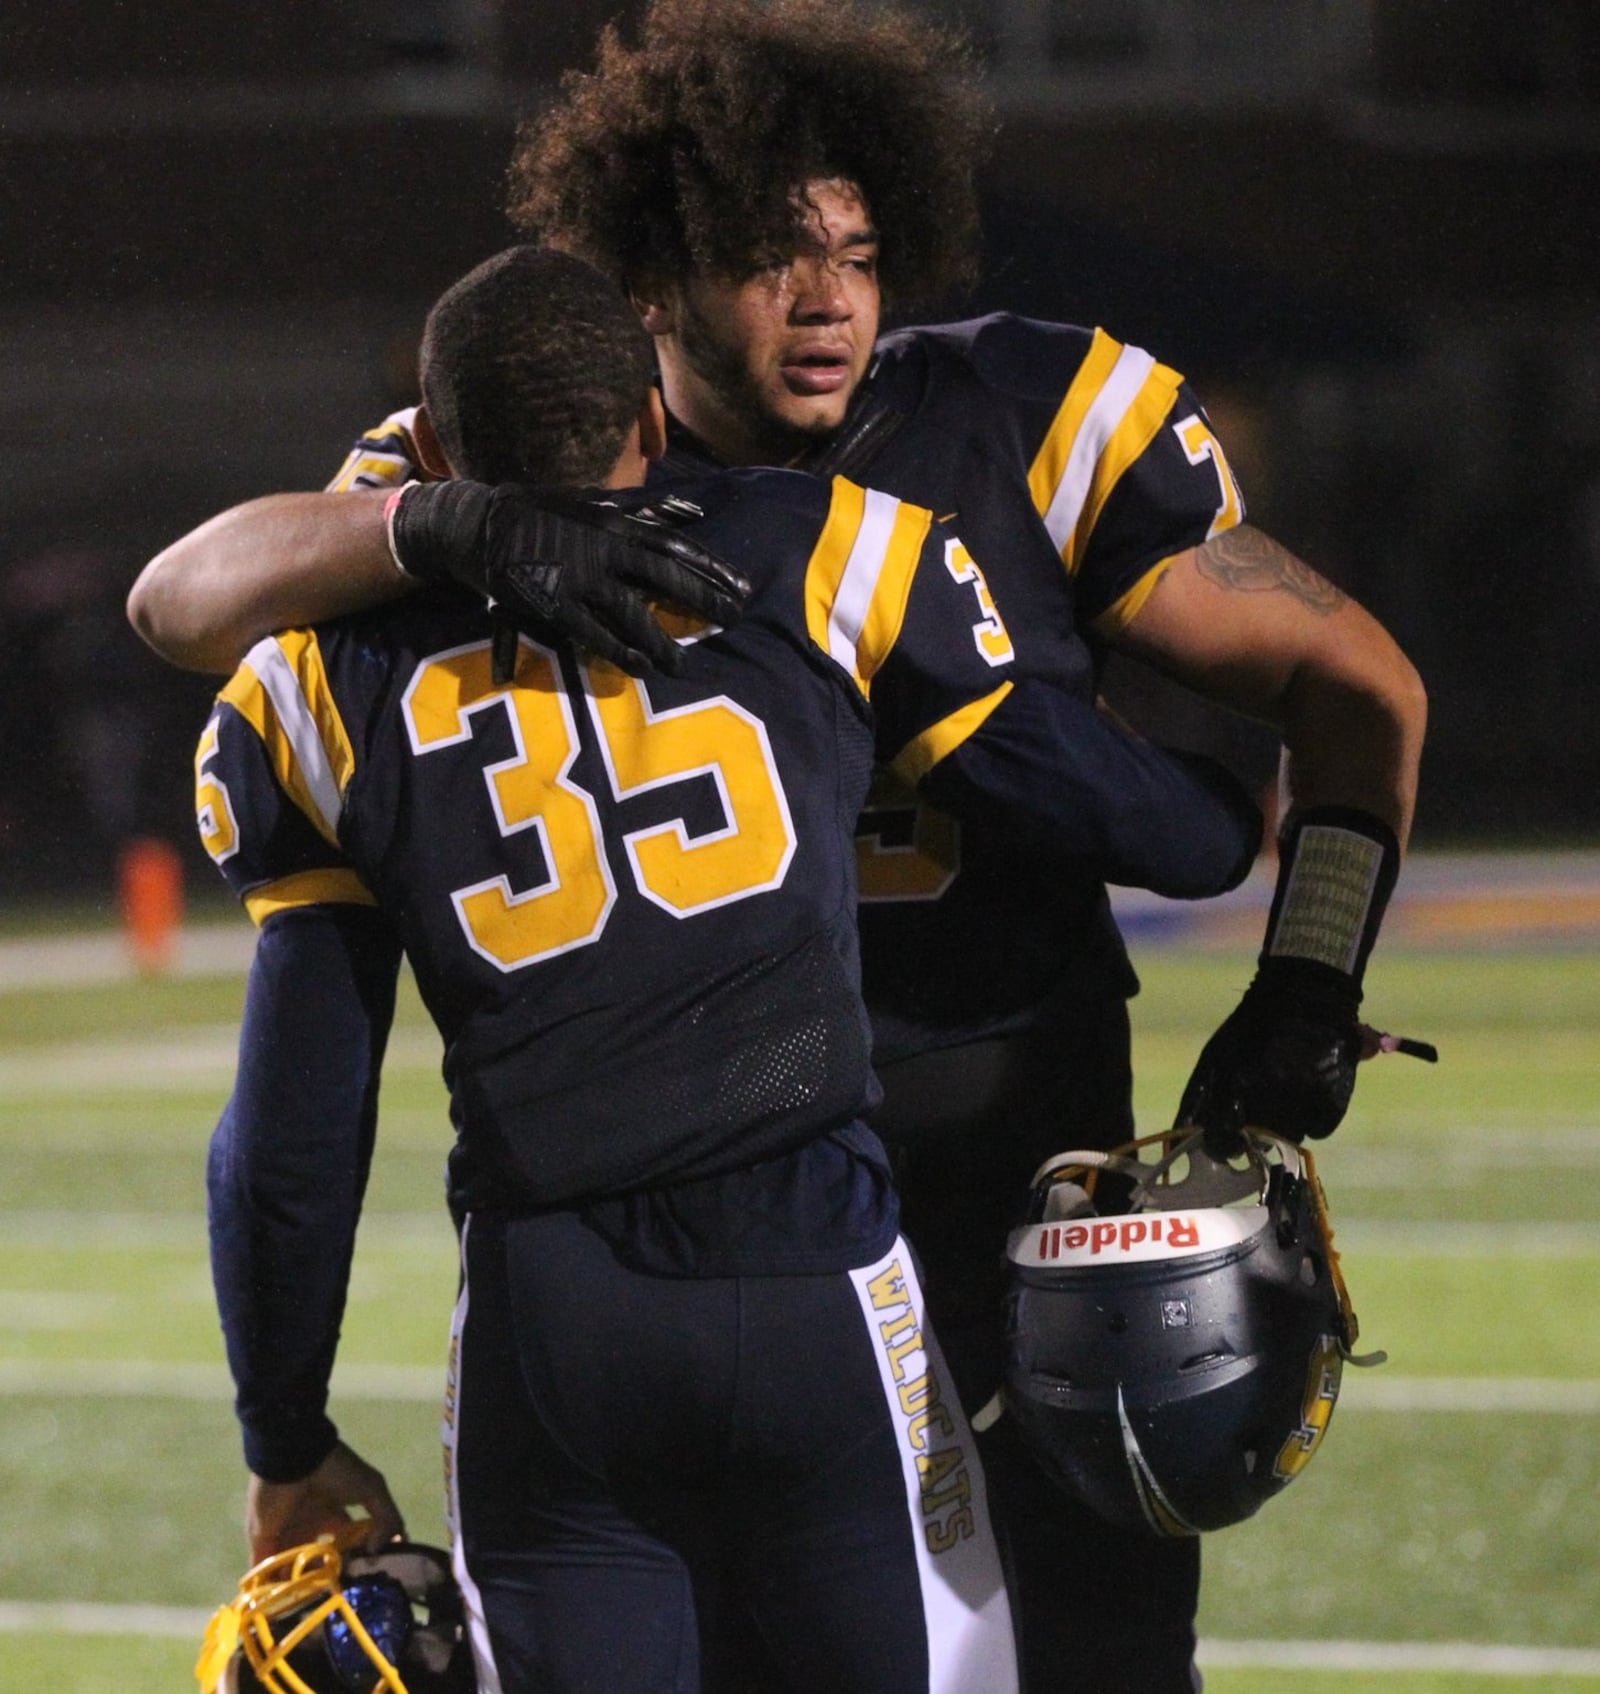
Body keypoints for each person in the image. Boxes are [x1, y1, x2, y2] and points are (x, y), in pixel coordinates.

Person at [134, 3, 1427, 1687]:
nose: (828, 299)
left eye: (859, 252)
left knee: (1099, 1658)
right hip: (745, 1212)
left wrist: (1310, 975)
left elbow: (1355, 686)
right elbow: (200, 587)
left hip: (1007, 1181)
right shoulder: (488, 473)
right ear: (647, 288)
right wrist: (448, 520)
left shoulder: (1013, 418)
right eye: (769, 255)